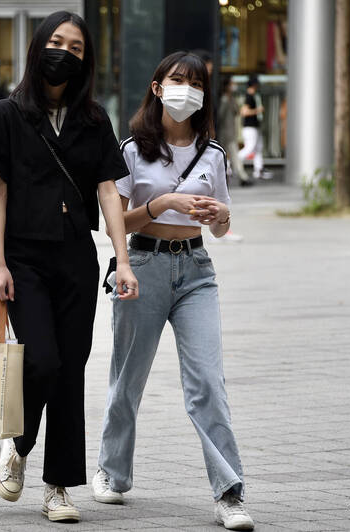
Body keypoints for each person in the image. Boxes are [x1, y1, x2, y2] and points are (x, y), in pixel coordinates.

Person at [0, 11, 138, 523]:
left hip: (75, 257)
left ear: (85, 61)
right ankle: (18, 445)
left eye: (76, 48)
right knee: (42, 361)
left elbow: (109, 191)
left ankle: (58, 487)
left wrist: (124, 259)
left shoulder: (94, 120)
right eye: (56, 42)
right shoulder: (7, 113)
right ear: (38, 47)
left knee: (70, 372)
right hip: (24, 256)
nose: (64, 52)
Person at [92, 52, 254, 531]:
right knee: (128, 379)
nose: (188, 89)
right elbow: (112, 222)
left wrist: (218, 217)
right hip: (141, 265)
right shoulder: (131, 150)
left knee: (207, 383)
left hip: (197, 270)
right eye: (178, 80)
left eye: (196, 83)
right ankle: (112, 472)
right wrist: (161, 204)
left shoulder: (214, 153)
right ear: (158, 88)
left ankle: (230, 492)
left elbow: (223, 225)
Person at [218, 76, 251, 186]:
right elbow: (220, 116)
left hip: (231, 132)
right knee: (233, 157)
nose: (234, 86)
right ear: (227, 86)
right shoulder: (224, 99)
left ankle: (241, 177)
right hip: (225, 133)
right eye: (232, 84)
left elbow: (237, 111)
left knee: (230, 157)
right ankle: (243, 178)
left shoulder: (231, 98)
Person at [237, 74, 269, 180]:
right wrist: (257, 110)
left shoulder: (253, 95)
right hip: (250, 127)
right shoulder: (249, 96)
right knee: (250, 148)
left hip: (254, 126)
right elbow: (244, 112)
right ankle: (230, 163)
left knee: (258, 148)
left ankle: (258, 170)